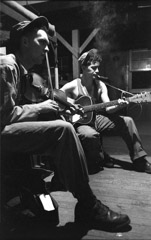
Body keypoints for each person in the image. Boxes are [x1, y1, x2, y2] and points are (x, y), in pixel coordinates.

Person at [0, 17, 130, 230]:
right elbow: (3, 117)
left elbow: (43, 95)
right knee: (63, 130)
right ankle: (88, 205)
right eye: (42, 42)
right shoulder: (7, 65)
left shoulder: (21, 70)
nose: (47, 48)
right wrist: (41, 108)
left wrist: (63, 104)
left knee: (61, 123)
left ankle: (67, 181)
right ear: (24, 42)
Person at [60, 48, 151, 174]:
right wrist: (70, 103)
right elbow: (56, 95)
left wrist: (121, 104)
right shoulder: (73, 85)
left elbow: (108, 108)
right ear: (83, 67)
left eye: (98, 67)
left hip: (97, 118)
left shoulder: (100, 85)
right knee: (90, 135)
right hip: (81, 122)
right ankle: (98, 158)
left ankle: (140, 161)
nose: (97, 71)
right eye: (93, 67)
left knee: (128, 121)